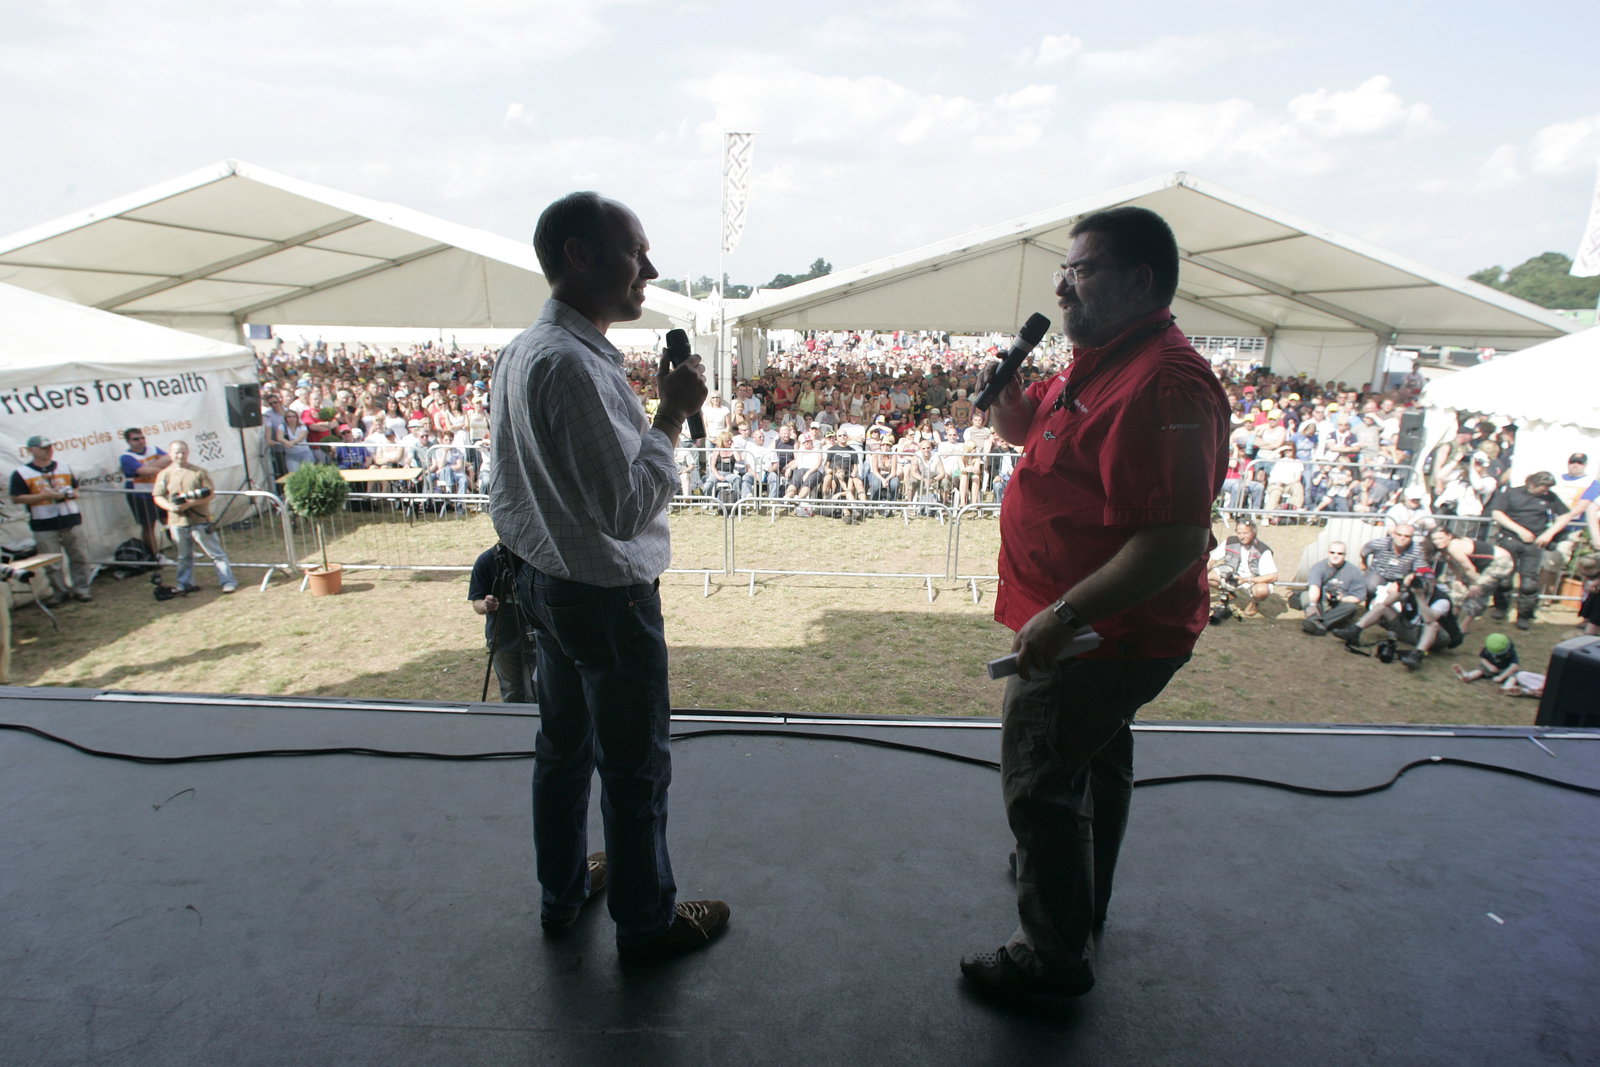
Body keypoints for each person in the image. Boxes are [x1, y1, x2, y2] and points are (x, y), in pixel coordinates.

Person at [961, 206, 1228, 1000]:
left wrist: (1066, 615)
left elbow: (1173, 539)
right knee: (1095, 760)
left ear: (1140, 280)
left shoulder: (1163, 383)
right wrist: (1008, 408)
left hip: (1099, 634)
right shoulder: (1097, 357)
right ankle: (1082, 895)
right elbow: (1038, 434)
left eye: (1080, 271)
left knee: (1041, 777)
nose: (1061, 286)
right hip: (1084, 623)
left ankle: (1050, 956)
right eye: (1063, 271)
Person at [489, 192, 728, 956]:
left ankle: (562, 892)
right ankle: (646, 925)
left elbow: (509, 491)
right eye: (636, 251)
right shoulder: (569, 365)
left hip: (546, 585)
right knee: (634, 770)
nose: (650, 269)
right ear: (579, 256)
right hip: (605, 601)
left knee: (562, 750)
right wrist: (668, 415)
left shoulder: (527, 351)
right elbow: (625, 509)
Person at [9, 435, 92, 606]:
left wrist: (72, 493)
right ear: (31, 450)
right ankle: (60, 592)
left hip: (70, 517)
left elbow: (75, 486)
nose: (48, 450)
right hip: (44, 522)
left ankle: (82, 589)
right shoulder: (22, 473)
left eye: (50, 447)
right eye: (43, 448)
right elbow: (16, 498)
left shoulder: (63, 467)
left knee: (79, 555)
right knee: (52, 562)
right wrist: (43, 496)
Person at [150, 440, 239, 594]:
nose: (180, 455)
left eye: (183, 452)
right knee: (184, 555)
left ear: (188, 452)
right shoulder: (164, 474)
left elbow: (209, 494)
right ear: (170, 454)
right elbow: (157, 496)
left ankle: (228, 581)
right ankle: (184, 584)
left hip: (200, 520)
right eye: (177, 452)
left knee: (216, 553)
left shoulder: (198, 472)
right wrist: (171, 506)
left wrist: (190, 504)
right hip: (177, 521)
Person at [1488, 471, 1561, 630]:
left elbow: (1565, 515)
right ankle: (1501, 608)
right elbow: (1497, 513)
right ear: (1531, 484)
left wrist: (1549, 533)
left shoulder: (1550, 497)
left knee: (1529, 583)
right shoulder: (1512, 493)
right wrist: (1519, 530)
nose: (1546, 490)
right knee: (1504, 578)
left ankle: (1524, 615)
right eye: (1543, 486)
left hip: (1534, 543)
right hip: (1510, 539)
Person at [468, 545, 534, 703]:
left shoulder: (533, 557)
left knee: (537, 690)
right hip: (502, 639)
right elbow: (476, 602)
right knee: (511, 691)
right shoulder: (486, 561)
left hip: (534, 638)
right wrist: (484, 605)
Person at [118, 427, 171, 559]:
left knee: (169, 522)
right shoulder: (126, 457)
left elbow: (169, 459)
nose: (140, 441)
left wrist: (150, 467)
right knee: (149, 526)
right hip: (140, 495)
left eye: (142, 438)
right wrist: (156, 467)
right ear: (128, 441)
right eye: (136, 439)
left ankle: (183, 549)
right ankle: (155, 556)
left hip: (158, 492)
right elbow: (143, 472)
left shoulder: (153, 449)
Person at [1208, 520, 1278, 617]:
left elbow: (1273, 576)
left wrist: (1246, 580)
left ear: (1253, 533)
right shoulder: (1230, 541)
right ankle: (1228, 594)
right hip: (1232, 574)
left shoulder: (1263, 550)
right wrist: (1200, 572)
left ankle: (1254, 603)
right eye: (1239, 533)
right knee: (1206, 576)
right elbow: (1213, 558)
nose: (1241, 536)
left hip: (1252, 580)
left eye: (1245, 533)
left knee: (1262, 590)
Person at [1298, 541, 1365, 635]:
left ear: (1345, 555)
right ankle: (1315, 618)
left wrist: (1340, 598)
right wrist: (1313, 605)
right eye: (1332, 552)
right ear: (1328, 553)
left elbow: (1358, 597)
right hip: (1322, 600)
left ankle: (1319, 624)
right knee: (1306, 595)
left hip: (1341, 604)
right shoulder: (1318, 567)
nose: (1335, 556)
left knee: (1351, 607)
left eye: (1340, 553)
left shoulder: (1354, 571)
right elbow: (1314, 587)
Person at [1453, 632, 1520, 686]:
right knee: (1480, 670)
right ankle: (1468, 676)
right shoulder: (1487, 650)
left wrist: (1502, 677)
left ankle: (1508, 686)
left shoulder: (1510, 651)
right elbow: (1483, 658)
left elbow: (1514, 666)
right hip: (1490, 667)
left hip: (1506, 669)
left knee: (1515, 675)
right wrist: (1490, 666)